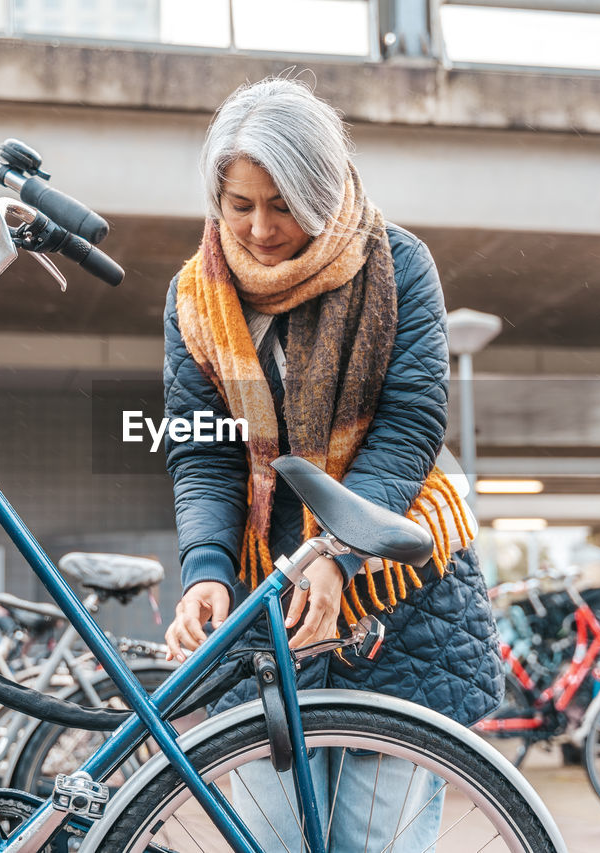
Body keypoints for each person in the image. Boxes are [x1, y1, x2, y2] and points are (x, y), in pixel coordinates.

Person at [160, 76, 503, 850]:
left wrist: (340, 552)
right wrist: (208, 567)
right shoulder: (196, 299)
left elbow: (411, 421)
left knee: (370, 839)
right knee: (271, 836)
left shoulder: (397, 264)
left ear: (321, 189)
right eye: (238, 204)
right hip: (267, 598)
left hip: (397, 585)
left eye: (281, 204)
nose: (258, 228)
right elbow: (204, 449)